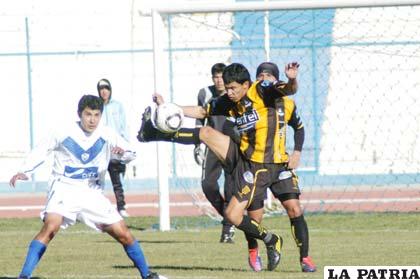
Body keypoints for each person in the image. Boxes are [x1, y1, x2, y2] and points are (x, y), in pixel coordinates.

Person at [137, 62, 300, 272]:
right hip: (242, 155)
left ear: (245, 84)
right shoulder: (228, 101)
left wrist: (292, 79)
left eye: (233, 88)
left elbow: (288, 89)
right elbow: (201, 111)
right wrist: (171, 108)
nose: (229, 92)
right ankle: (152, 133)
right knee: (206, 133)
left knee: (235, 216)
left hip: (262, 164)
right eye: (227, 87)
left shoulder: (261, 89)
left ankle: (270, 240)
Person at [10, 95, 164, 279]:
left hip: (92, 191)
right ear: (80, 114)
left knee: (123, 233)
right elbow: (41, 150)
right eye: (88, 114)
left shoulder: (107, 134)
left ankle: (147, 275)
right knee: (51, 226)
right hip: (64, 187)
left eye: (97, 115)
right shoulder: (62, 132)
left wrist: (123, 154)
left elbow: (130, 152)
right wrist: (24, 171)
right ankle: (24, 276)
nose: (92, 120)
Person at [255, 62, 316, 272]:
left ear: (275, 78)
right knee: (255, 216)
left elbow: (299, 128)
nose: (264, 78)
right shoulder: (252, 101)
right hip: (257, 165)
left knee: (295, 208)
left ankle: (305, 258)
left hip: (281, 165)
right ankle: (254, 252)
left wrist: (297, 152)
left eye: (268, 75)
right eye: (260, 75)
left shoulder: (287, 103)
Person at [194, 63, 236, 243]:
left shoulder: (233, 94)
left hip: (231, 146)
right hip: (211, 146)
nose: (219, 81)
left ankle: (227, 230)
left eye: (221, 77)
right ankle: (229, 217)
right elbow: (199, 118)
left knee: (230, 189)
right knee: (207, 185)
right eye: (215, 77)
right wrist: (197, 145)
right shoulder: (205, 93)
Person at [97, 78, 130, 217]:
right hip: (100, 149)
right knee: (98, 181)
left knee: (117, 180)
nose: (104, 91)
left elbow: (123, 126)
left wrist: (125, 146)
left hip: (115, 148)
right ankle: (97, 208)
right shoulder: (96, 106)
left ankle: (121, 207)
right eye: (101, 89)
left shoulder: (118, 106)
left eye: (106, 88)